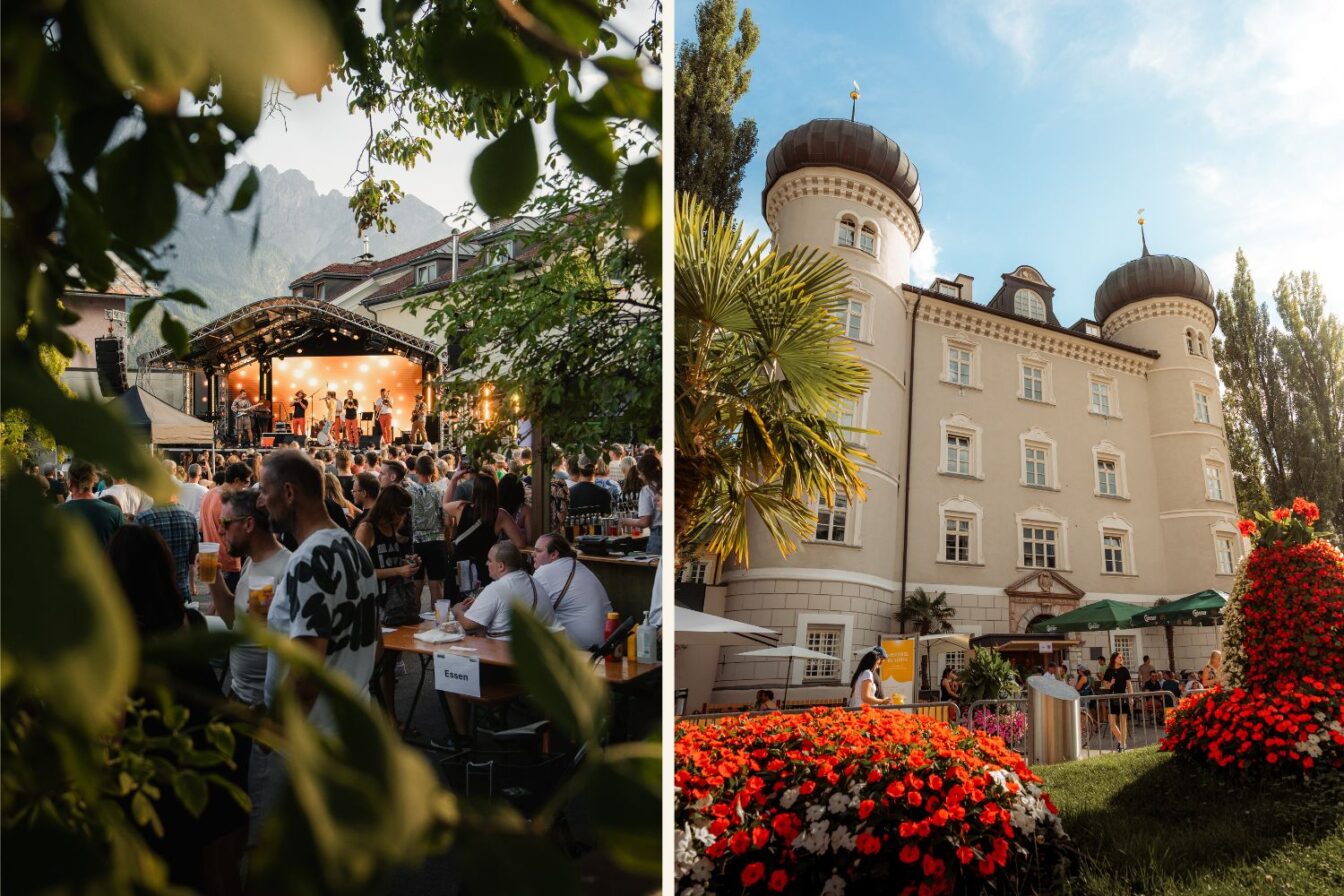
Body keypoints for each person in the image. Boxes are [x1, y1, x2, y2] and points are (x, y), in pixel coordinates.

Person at [107, 525, 248, 894]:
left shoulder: (117, 642)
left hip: (156, 771)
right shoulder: (191, 622)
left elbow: (115, 723)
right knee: (216, 869)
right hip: (209, 759)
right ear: (165, 568)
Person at [208, 488, 291, 708]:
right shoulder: (251, 562)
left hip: (267, 705)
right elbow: (234, 620)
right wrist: (213, 579)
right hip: (240, 694)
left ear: (249, 524)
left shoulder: (287, 568)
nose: (219, 530)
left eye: (225, 523)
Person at [354, 485, 420, 727]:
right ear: (390, 508)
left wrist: (408, 563)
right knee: (374, 667)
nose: (403, 517)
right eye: (401, 511)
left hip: (393, 605)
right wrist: (398, 570)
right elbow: (359, 572)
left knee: (389, 666)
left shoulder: (392, 528)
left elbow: (392, 558)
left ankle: (390, 719)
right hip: (373, 605)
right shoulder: (366, 529)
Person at [443, 471, 527, 599]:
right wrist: (499, 544)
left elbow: (445, 504)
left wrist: (454, 479)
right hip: (483, 567)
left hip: (459, 565)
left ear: (475, 491)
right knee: (481, 604)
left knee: (457, 603)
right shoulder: (500, 514)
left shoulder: (461, 508)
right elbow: (520, 543)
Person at [454, 541, 554, 639]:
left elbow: (468, 624)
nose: (486, 563)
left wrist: (458, 610)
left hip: (508, 650)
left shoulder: (496, 589)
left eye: (490, 560)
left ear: (501, 566)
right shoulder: (532, 580)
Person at [532, 532, 612, 650]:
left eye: (538, 551)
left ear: (554, 554)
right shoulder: (576, 565)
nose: (532, 554)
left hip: (584, 649)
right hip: (607, 643)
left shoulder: (544, 572)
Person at [200, 462, 254, 593]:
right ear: (236, 481)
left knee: (218, 598)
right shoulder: (229, 501)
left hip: (210, 557)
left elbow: (202, 527)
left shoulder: (208, 494)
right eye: (246, 483)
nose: (246, 487)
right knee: (229, 603)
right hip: (227, 560)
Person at [406, 454, 448, 612]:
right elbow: (447, 520)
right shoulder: (440, 491)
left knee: (415, 585)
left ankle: (414, 620)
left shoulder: (408, 491)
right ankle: (437, 622)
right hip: (436, 540)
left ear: (416, 470)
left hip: (415, 542)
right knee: (436, 585)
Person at [135, 499, 200, 601]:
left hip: (153, 593)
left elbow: (136, 560)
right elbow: (193, 557)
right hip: (182, 591)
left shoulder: (143, 519)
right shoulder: (190, 517)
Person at [56, 458, 124, 546]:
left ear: (70, 483)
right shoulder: (114, 512)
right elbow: (124, 549)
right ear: (93, 482)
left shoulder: (58, 514)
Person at [1102, 651, 1133, 752]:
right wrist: (1111, 683)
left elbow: (1129, 685)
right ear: (1114, 659)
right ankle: (1121, 741)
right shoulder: (1109, 671)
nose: (1121, 659)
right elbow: (1105, 686)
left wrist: (1131, 697)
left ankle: (1122, 745)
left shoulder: (1124, 670)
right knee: (1112, 723)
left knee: (1123, 722)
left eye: (1122, 657)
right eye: (1119, 657)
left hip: (1123, 698)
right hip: (1112, 698)